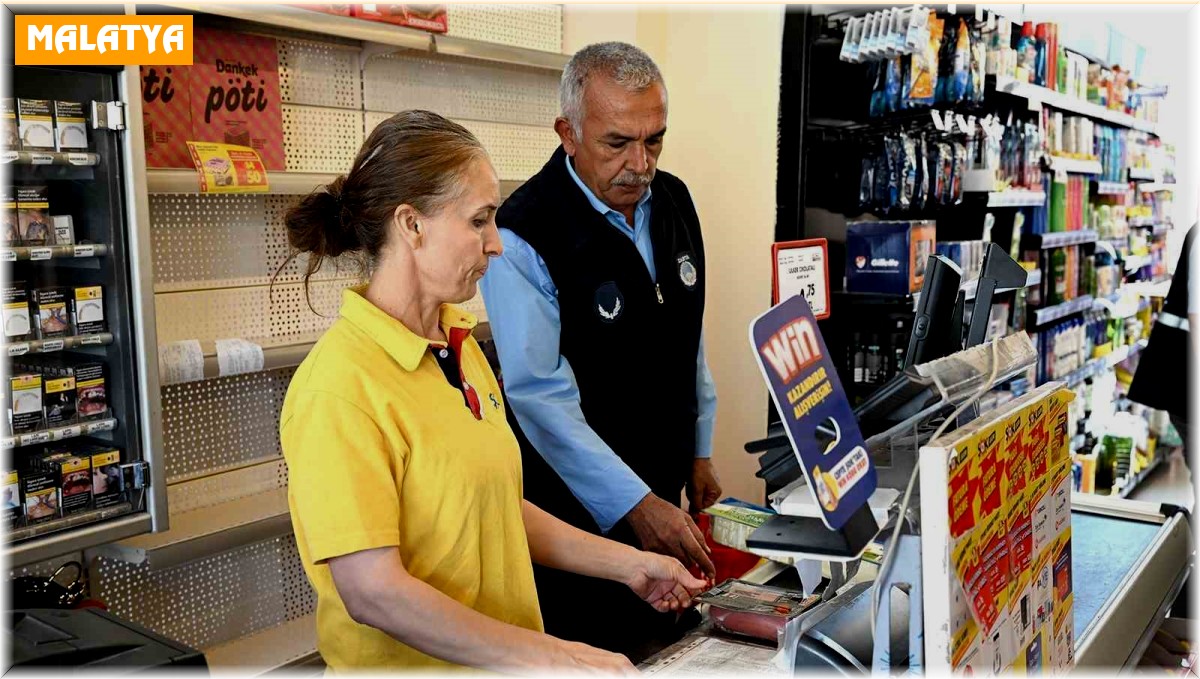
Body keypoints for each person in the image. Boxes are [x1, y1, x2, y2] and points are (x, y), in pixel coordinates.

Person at [279, 110, 706, 672]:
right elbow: (372, 591)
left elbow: (497, 508)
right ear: (412, 225)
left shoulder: (459, 348)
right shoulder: (338, 387)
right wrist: (554, 655)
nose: (497, 243)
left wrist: (627, 564)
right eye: (479, 220)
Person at [480, 42, 721, 656]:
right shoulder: (523, 233)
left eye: (655, 140)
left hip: (664, 500)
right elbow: (539, 399)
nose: (640, 164)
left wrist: (700, 448)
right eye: (618, 143)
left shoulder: (673, 202)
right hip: (576, 525)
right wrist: (636, 504)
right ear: (568, 132)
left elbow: (686, 334)